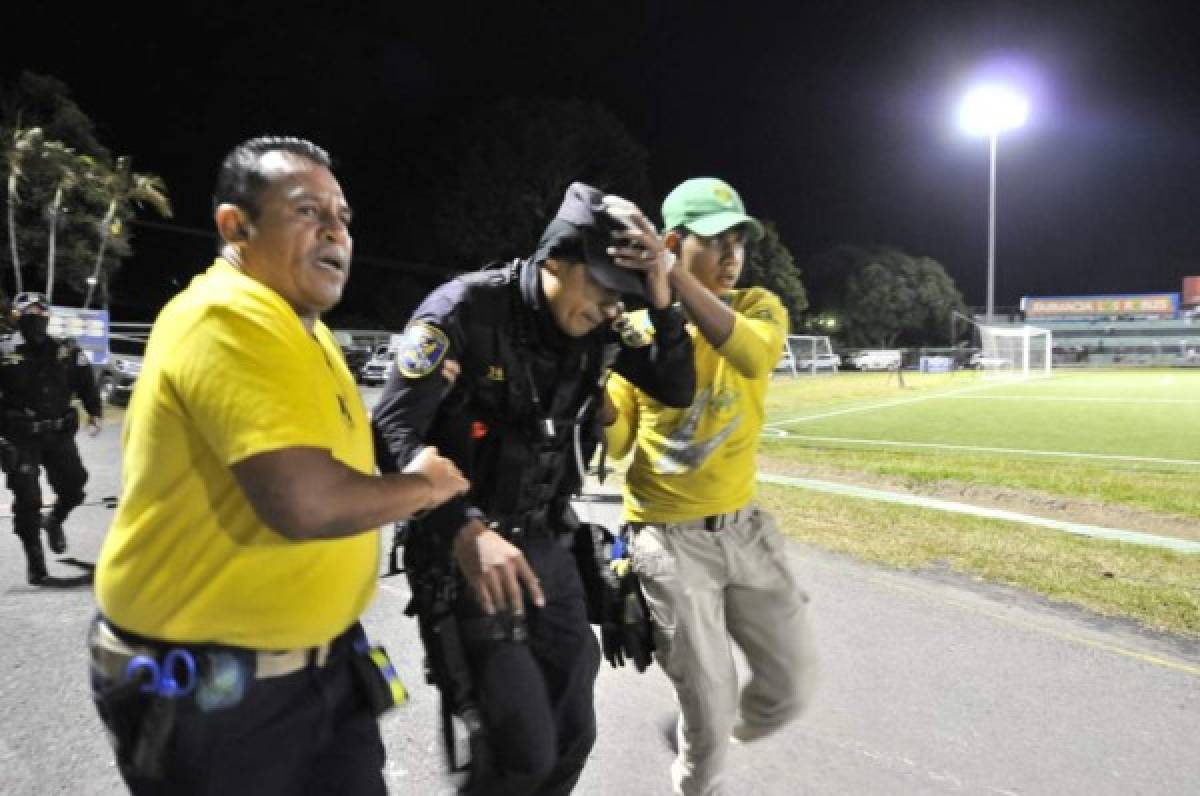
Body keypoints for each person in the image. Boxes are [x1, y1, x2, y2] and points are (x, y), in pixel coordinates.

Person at [89, 136, 469, 795]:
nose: (336, 232)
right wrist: (421, 488)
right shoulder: (227, 317)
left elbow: (343, 457)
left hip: (318, 672)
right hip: (216, 697)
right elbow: (306, 501)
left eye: (343, 216)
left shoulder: (307, 330)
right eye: (307, 212)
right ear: (235, 226)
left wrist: (433, 401)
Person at [372, 181, 695, 795]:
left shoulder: (603, 325)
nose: (610, 309)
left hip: (550, 544)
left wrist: (661, 300)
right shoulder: (463, 310)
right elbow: (390, 428)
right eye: (602, 288)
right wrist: (461, 526)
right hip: (464, 551)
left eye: (621, 296)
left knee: (573, 733)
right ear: (555, 260)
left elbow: (676, 387)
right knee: (519, 749)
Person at [604, 177, 817, 796]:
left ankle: (708, 731)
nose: (731, 255)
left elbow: (752, 355)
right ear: (673, 240)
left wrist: (675, 276)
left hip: (744, 530)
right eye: (713, 240)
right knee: (708, 700)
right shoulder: (639, 334)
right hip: (668, 544)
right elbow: (616, 442)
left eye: (738, 242)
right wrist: (592, 377)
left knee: (789, 689)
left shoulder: (757, 306)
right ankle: (700, 770)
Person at [0, 291, 103, 585]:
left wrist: (94, 410)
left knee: (74, 485)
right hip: (19, 437)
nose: (36, 316)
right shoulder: (4, 351)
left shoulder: (66, 350)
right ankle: (36, 563)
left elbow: (85, 381)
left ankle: (55, 519)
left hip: (58, 434)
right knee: (27, 499)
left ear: (49, 316)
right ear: (16, 316)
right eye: (28, 311)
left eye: (41, 311)